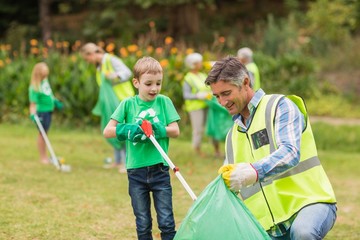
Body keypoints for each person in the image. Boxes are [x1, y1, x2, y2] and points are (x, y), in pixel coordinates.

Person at [205, 56, 337, 239]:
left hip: (309, 204)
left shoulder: (280, 106)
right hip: (269, 226)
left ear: (245, 82)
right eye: (217, 96)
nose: (222, 102)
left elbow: (290, 152)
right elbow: (230, 184)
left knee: (303, 233)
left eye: (226, 93)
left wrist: (254, 171)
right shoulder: (231, 137)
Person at [103, 56, 180, 240]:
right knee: (143, 222)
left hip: (160, 169)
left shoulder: (164, 102)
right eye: (148, 83)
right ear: (136, 82)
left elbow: (175, 131)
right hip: (136, 171)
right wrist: (127, 129)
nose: (154, 88)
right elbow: (108, 131)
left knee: (167, 222)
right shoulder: (128, 104)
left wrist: (159, 129)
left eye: (158, 83)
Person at [81, 42, 135, 173]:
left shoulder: (111, 60)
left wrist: (115, 76)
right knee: (112, 130)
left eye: (87, 58)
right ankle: (117, 161)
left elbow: (127, 72)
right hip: (111, 103)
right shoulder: (99, 65)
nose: (87, 62)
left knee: (123, 131)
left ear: (92, 54)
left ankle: (127, 163)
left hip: (122, 100)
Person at [29, 62, 63, 164]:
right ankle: (43, 157)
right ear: (39, 72)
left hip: (48, 111)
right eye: (44, 71)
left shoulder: (45, 81)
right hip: (41, 113)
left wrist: (55, 101)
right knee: (42, 134)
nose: (46, 73)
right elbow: (32, 104)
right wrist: (33, 115)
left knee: (45, 134)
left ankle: (46, 156)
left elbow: (49, 94)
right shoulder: (34, 87)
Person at [182, 53, 213, 157]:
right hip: (195, 108)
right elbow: (186, 95)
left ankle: (207, 148)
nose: (201, 64)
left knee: (207, 128)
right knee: (198, 129)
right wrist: (197, 96)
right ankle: (196, 150)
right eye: (199, 62)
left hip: (206, 105)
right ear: (193, 64)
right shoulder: (188, 78)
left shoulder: (202, 75)